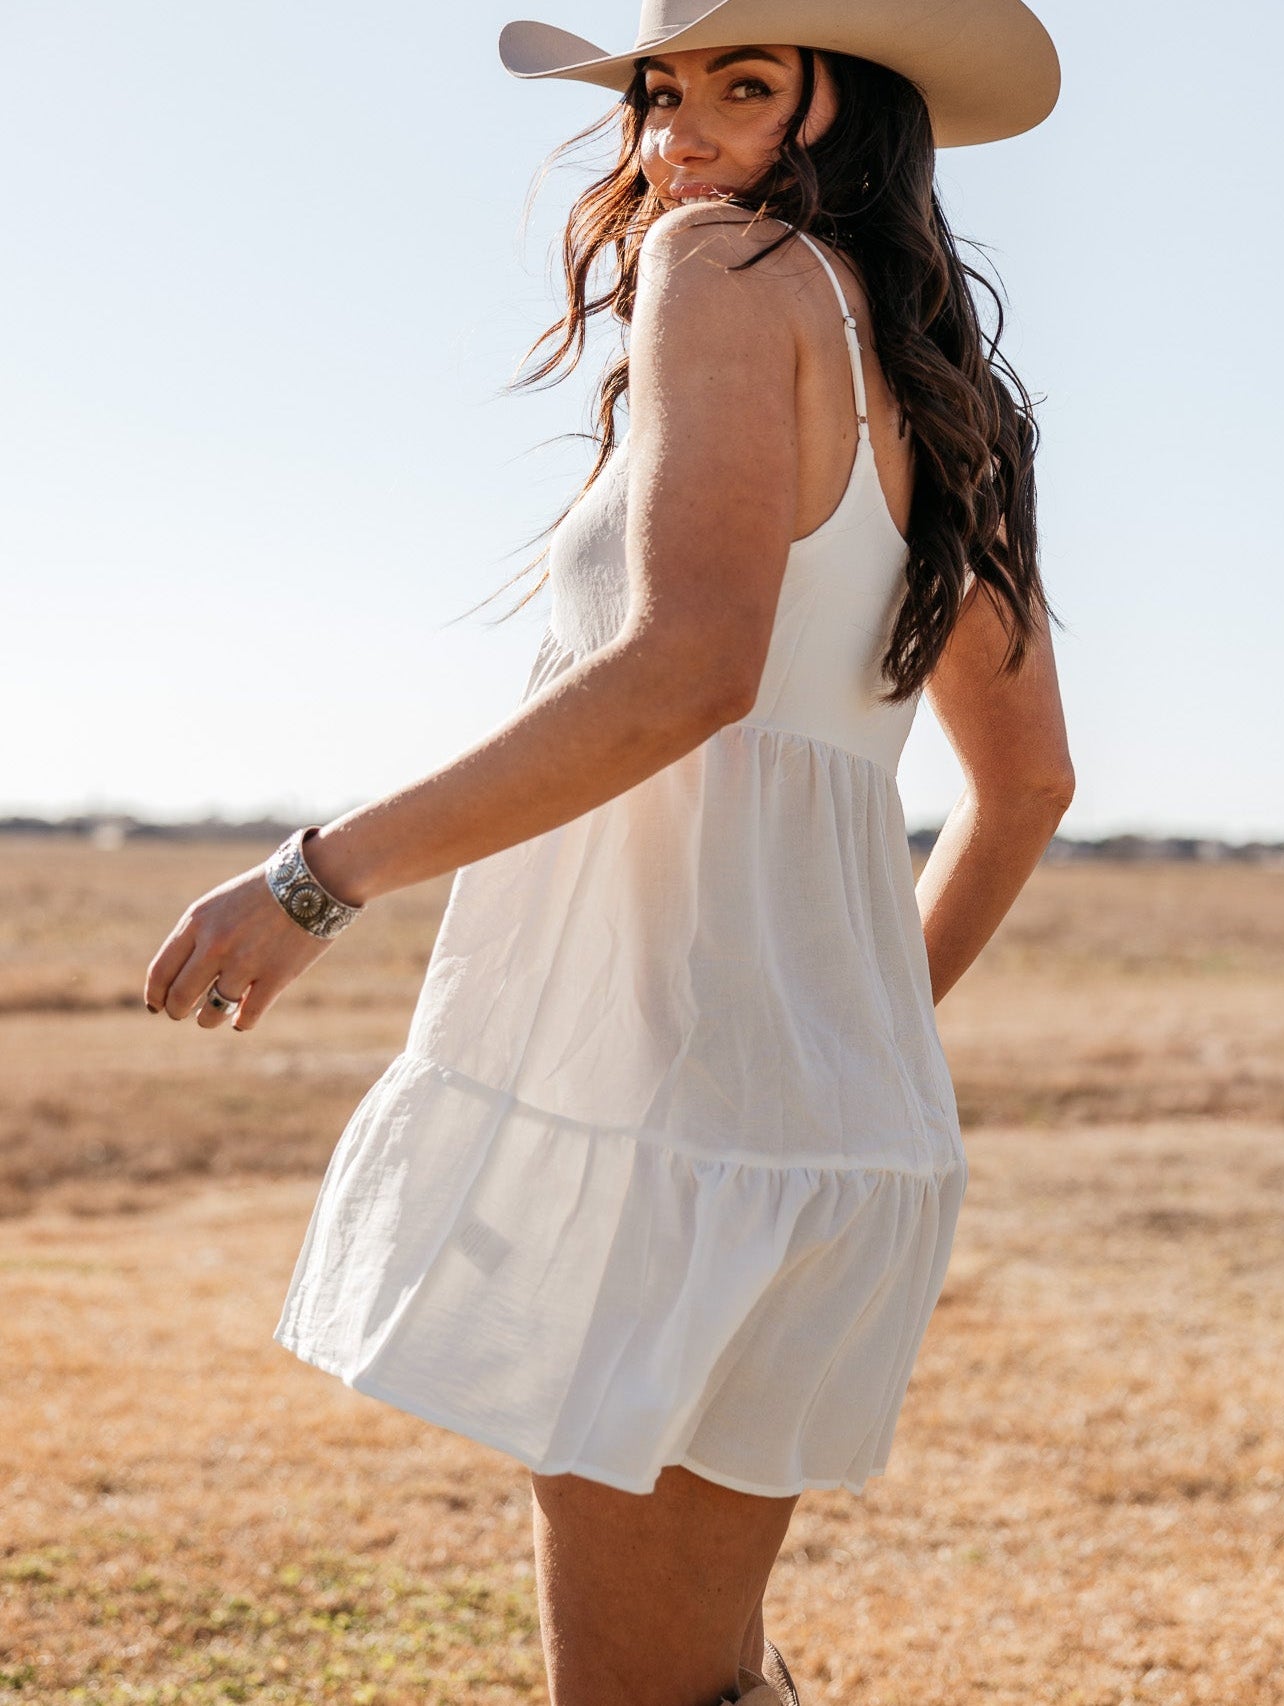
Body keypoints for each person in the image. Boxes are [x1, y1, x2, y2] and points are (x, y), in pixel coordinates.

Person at [144, 0, 1073, 1700]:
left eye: (742, 86)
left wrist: (312, 877)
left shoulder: (720, 269)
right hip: (816, 1132)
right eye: (659, 93)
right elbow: (1027, 784)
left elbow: (685, 669)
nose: (679, 137)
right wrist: (849, 1030)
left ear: (843, 113)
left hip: (669, 1115)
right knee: (715, 1677)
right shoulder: (931, 382)